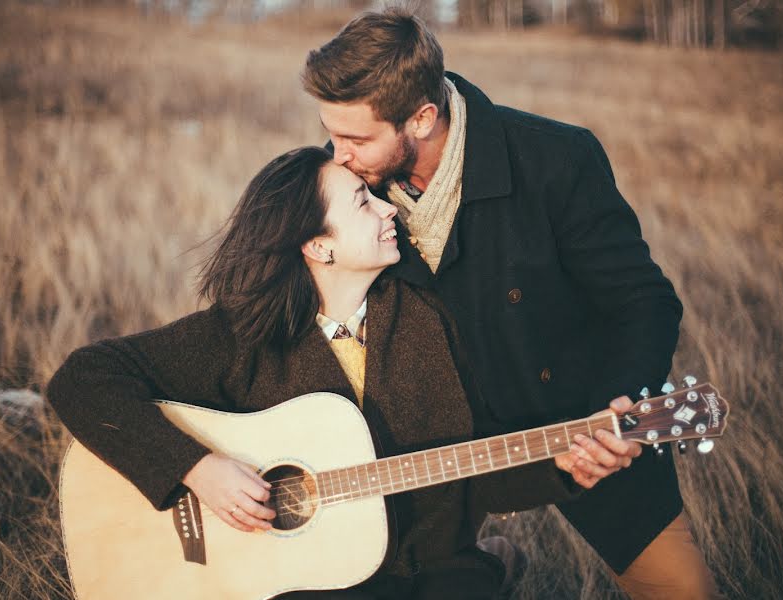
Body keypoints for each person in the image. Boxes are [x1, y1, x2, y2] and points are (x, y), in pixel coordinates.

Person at [46, 146, 630, 599]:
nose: (386, 207)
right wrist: (197, 469)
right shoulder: (241, 337)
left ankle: (494, 560)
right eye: (362, 201)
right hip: (313, 583)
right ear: (319, 247)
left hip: (436, 570)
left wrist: (564, 465)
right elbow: (81, 379)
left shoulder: (431, 324)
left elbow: (468, 471)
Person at [301, 9, 719, 600]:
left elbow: (643, 300)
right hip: (436, 455)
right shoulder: (345, 185)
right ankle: (488, 568)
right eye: (332, 132)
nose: (336, 154)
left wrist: (618, 410)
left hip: (580, 420)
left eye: (357, 138)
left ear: (422, 118)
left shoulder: (557, 158)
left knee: (684, 593)